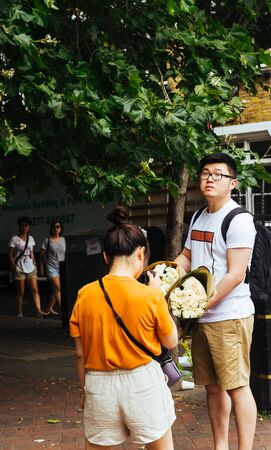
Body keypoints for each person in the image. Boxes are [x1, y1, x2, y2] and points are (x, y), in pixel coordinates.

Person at [69, 206, 178, 450]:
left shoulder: (84, 295)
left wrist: (85, 391)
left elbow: (79, 354)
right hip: (143, 383)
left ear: (105, 257)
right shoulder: (151, 296)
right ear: (141, 254)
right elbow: (171, 341)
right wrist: (159, 294)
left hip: (98, 385)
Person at [175, 152, 257, 450]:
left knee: (237, 386)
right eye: (205, 173)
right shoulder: (198, 216)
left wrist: (200, 304)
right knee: (212, 387)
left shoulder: (239, 219)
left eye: (218, 174)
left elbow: (235, 274)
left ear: (232, 182)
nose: (210, 178)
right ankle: (219, 446)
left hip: (229, 315)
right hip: (202, 316)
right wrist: (165, 277)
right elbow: (187, 257)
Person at [8, 216, 47, 318]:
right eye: (22, 225)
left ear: (28, 227)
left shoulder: (31, 238)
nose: (24, 227)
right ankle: (20, 312)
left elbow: (32, 252)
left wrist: (34, 264)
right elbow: (10, 254)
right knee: (21, 291)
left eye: (26, 225)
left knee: (35, 290)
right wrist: (13, 266)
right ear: (19, 226)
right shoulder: (14, 239)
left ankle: (39, 311)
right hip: (19, 268)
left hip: (30, 267)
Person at [40, 220, 66, 315]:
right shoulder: (48, 240)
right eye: (54, 227)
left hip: (61, 267)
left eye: (58, 227)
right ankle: (64, 311)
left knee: (55, 290)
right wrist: (42, 268)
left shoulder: (63, 240)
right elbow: (42, 255)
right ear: (51, 228)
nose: (56, 229)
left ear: (61, 229)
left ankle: (48, 309)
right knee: (58, 288)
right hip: (51, 268)